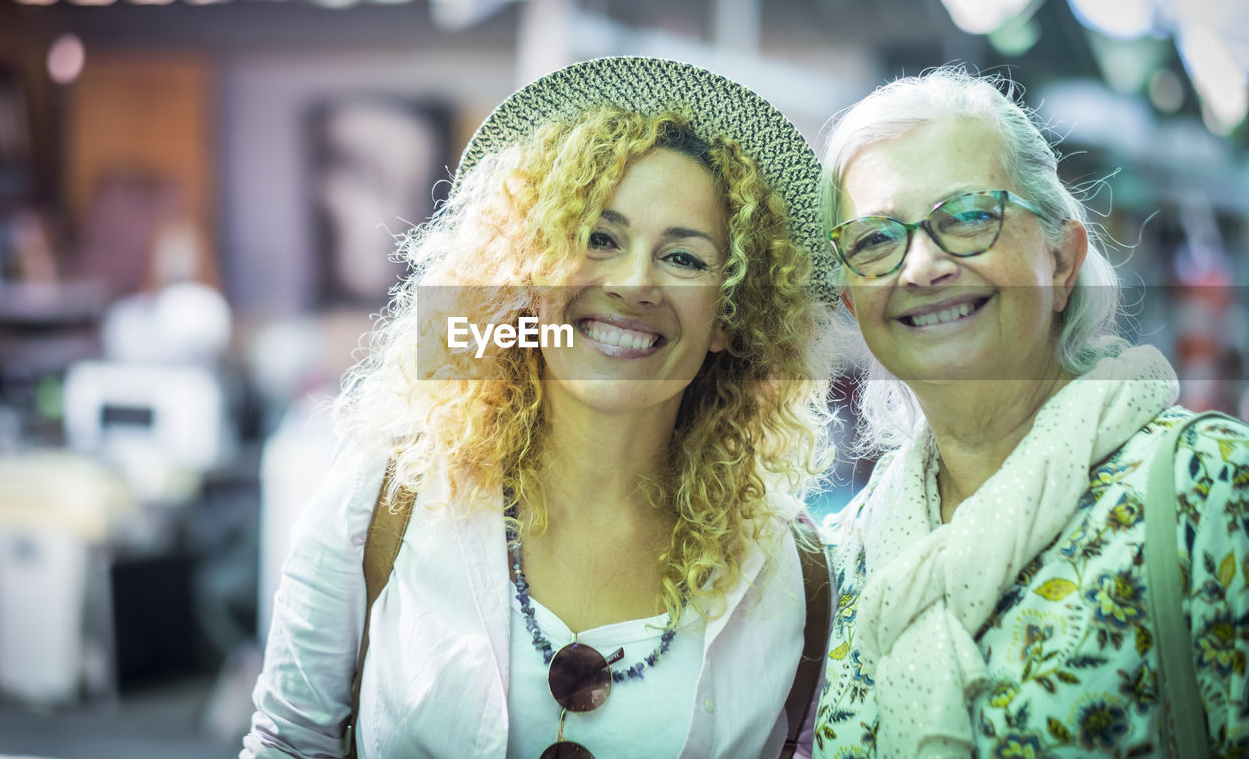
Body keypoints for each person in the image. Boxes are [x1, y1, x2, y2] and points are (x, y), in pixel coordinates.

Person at [242, 56, 837, 759]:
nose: (634, 281)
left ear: (730, 316)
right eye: (599, 239)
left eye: (684, 258)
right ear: (526, 274)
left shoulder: (790, 569)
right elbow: (287, 742)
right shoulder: (385, 493)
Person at [809, 67, 1249, 757]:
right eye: (876, 240)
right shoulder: (843, 557)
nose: (921, 267)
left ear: (1063, 257)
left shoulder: (1207, 487)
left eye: (969, 216)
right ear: (852, 304)